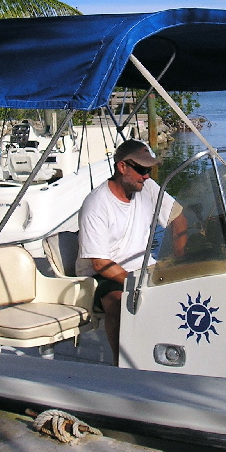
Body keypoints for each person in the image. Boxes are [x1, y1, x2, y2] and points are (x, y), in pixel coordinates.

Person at [77, 138, 187, 365]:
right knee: (119, 305)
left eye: (149, 169)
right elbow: (100, 263)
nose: (146, 175)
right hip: (104, 275)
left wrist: (181, 263)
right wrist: (136, 285)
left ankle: (174, 356)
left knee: (188, 292)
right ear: (122, 167)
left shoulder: (147, 188)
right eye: (141, 169)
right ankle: (122, 366)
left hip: (144, 267)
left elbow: (178, 218)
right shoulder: (96, 204)